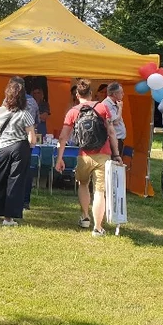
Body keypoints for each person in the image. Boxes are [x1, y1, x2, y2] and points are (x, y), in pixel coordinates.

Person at [55, 79, 122, 237]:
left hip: (83, 155)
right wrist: (117, 154)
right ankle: (98, 228)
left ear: (77, 95)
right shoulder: (102, 107)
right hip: (103, 154)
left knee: (83, 184)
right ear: (91, 93)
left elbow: (63, 137)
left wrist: (60, 158)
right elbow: (112, 133)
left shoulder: (73, 111)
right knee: (100, 191)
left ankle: (85, 217)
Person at [0, 77, 37, 226]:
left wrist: (2, 139)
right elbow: (32, 139)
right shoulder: (25, 114)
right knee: (15, 182)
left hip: (3, 148)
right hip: (19, 148)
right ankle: (8, 218)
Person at [102, 82, 127, 156]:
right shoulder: (107, 104)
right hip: (113, 140)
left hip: (118, 139)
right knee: (114, 162)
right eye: (121, 92)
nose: (123, 94)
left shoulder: (115, 103)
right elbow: (115, 121)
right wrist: (120, 108)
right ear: (114, 94)